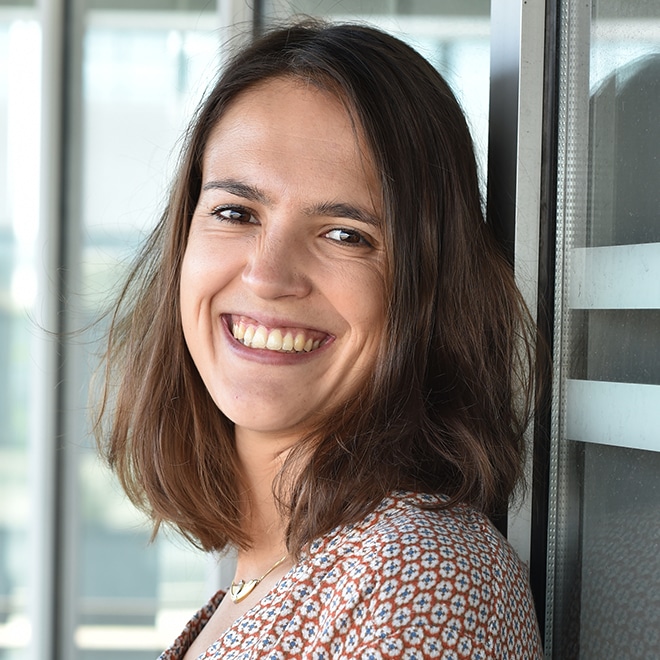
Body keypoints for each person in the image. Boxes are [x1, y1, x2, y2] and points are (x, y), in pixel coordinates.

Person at [96, 20, 544, 659]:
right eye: (235, 212)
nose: (267, 275)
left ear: (429, 287)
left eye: (345, 234)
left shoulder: (416, 579)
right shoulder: (269, 580)